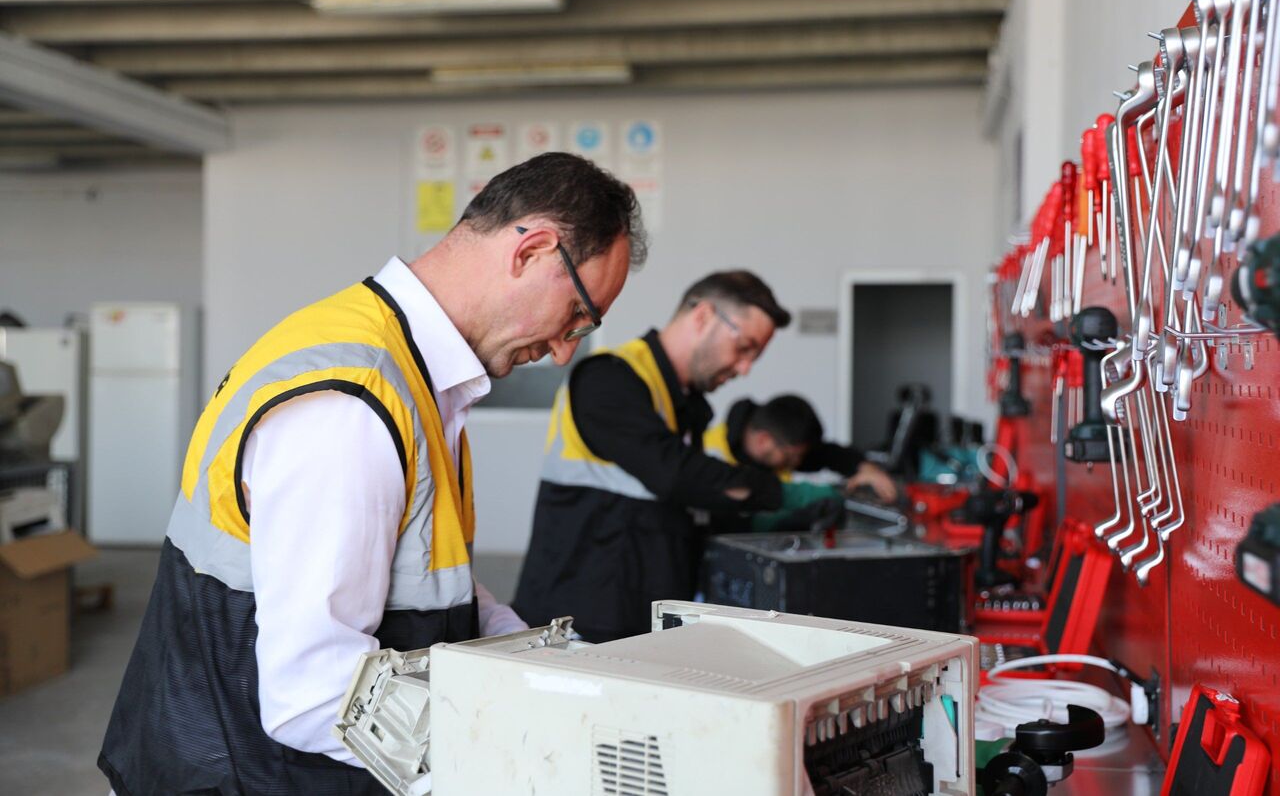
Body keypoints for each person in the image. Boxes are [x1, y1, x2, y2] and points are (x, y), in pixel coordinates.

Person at [98, 152, 647, 795]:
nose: (563, 352)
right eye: (577, 315)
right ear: (532, 251)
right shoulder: (352, 404)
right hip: (241, 778)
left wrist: (548, 664)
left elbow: (429, 587)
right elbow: (315, 694)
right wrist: (512, 755)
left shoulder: (412, 379)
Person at [512, 270, 830, 643]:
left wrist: (763, 523)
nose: (745, 369)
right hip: (579, 627)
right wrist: (783, 494)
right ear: (703, 317)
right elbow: (676, 474)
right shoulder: (608, 378)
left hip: (640, 624)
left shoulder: (685, 404)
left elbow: (681, 507)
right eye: (744, 348)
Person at [704, 394, 898, 501]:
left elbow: (830, 454)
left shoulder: (780, 443)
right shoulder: (710, 454)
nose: (797, 463)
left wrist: (868, 470)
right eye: (792, 457)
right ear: (764, 440)